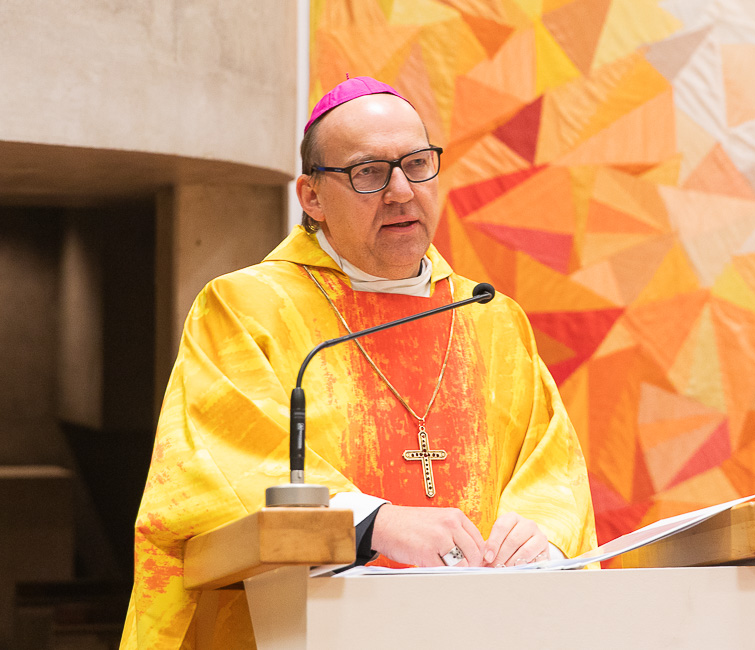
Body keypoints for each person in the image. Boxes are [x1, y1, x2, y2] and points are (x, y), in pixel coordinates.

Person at [119, 77, 596, 648]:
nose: (400, 190)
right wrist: (374, 522)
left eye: (417, 164)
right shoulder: (247, 308)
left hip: (483, 626)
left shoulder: (490, 317)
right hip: (308, 628)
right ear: (312, 196)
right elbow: (218, 469)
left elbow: (552, 466)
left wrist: (539, 531)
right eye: (368, 172)